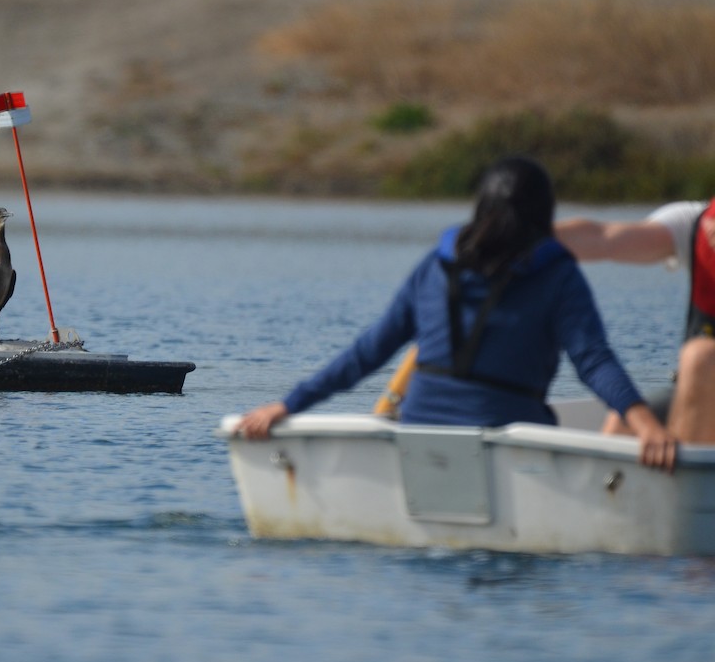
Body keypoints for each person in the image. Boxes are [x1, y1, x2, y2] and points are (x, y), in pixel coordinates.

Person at [236, 155, 677, 471]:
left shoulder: (436, 266)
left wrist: (288, 405)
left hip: (420, 431)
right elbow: (594, 361)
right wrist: (646, 426)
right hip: (509, 438)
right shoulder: (559, 276)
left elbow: (369, 351)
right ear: (545, 215)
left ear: (480, 209)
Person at [556, 200, 715, 444]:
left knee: (701, 356)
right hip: (698, 389)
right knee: (623, 423)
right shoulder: (696, 221)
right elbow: (604, 238)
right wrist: (522, 238)